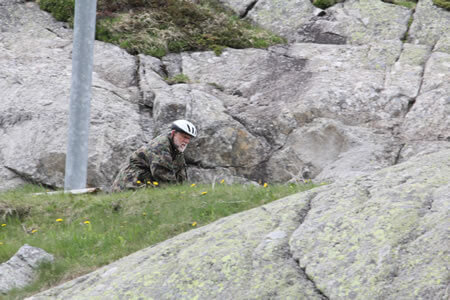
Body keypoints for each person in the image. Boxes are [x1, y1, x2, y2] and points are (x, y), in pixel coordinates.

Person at [111, 120, 197, 192]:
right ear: (173, 133)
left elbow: (181, 174)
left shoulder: (177, 148)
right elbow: (164, 177)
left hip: (145, 184)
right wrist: (179, 194)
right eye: (184, 137)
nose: (186, 141)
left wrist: (186, 192)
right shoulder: (160, 147)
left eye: (189, 138)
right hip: (128, 186)